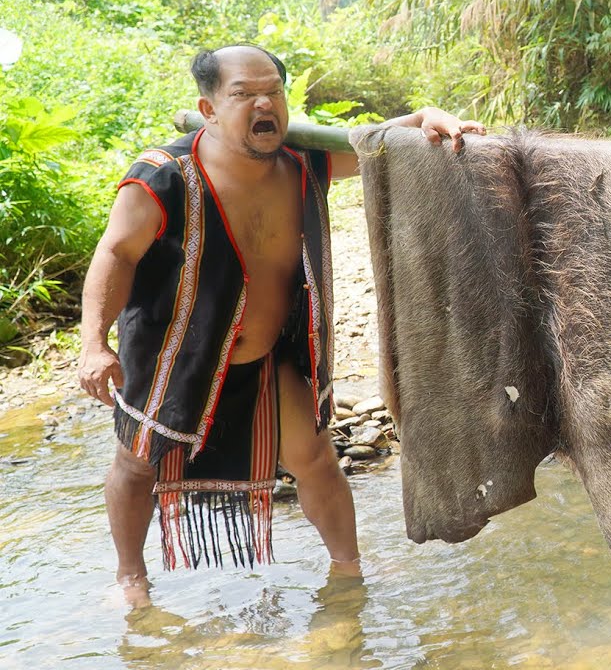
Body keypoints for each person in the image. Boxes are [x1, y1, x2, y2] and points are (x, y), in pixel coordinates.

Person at [76, 44, 485, 605]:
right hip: (177, 351)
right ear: (210, 106)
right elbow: (116, 255)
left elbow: (377, 146)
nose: (263, 102)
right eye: (243, 94)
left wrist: (423, 122)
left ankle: (349, 571)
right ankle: (130, 579)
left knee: (315, 458)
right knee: (138, 459)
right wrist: (93, 344)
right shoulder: (165, 176)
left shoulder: (303, 164)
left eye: (273, 91)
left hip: (274, 349)